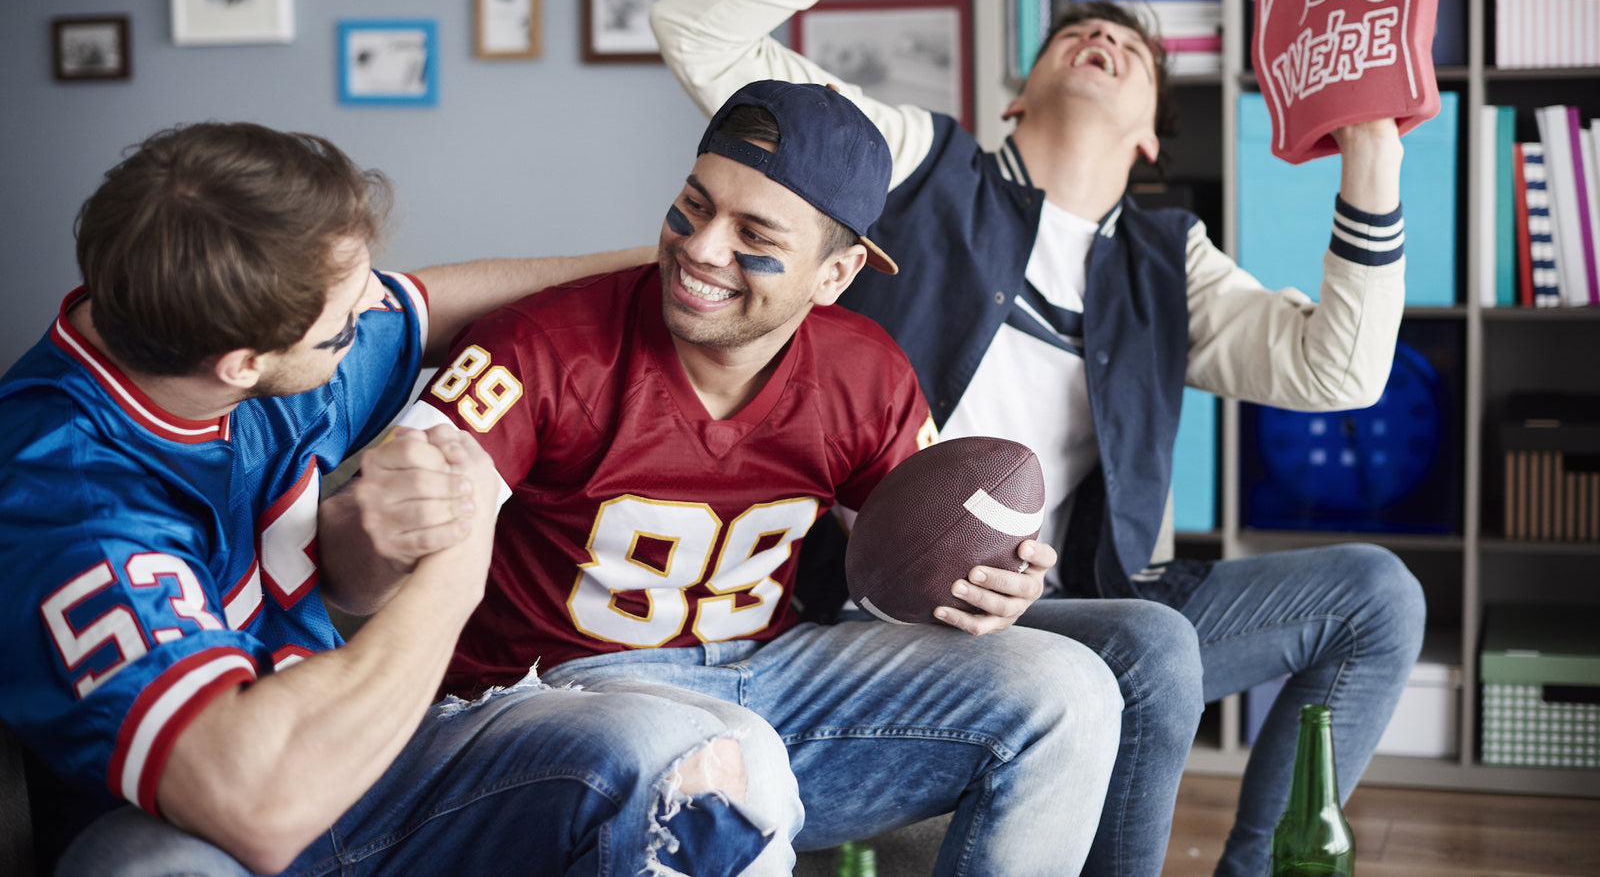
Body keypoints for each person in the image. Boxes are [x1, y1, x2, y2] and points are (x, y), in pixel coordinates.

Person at [650, 0, 1427, 877]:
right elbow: (696, 29)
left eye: (1133, 48)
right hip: (896, 599)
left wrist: (1370, 145)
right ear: (1014, 93)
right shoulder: (921, 166)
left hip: (1085, 596)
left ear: (1154, 130)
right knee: (1152, 648)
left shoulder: (1170, 260)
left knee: (1377, 594)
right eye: (1075, 33)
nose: (1102, 39)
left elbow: (1338, 372)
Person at [0, 121, 793, 877]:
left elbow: (430, 304)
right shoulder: (66, 504)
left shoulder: (203, 315)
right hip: (206, 816)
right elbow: (258, 802)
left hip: (366, 753)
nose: (368, 317)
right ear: (240, 364)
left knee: (664, 742)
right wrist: (457, 559)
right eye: (342, 327)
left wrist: (683, 273)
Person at [399, 79, 1125, 875]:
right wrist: (378, 524)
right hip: (559, 700)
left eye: (753, 231)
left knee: (1073, 689)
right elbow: (381, 552)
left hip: (767, 669)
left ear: (835, 274)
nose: (702, 247)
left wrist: (979, 588)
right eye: (694, 205)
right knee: (737, 759)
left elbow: (909, 558)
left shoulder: (864, 369)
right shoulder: (542, 344)